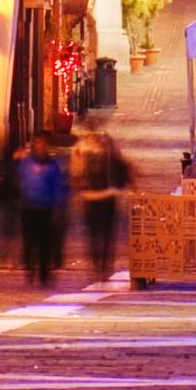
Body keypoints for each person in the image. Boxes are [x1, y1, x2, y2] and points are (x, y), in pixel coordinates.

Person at [73, 116, 132, 282]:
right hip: (102, 195)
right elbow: (120, 162)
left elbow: (76, 171)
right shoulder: (107, 143)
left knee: (97, 233)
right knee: (103, 233)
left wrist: (78, 190)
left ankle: (100, 264)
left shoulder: (83, 146)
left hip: (97, 195)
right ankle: (102, 265)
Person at [14, 129, 68, 289]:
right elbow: (17, 179)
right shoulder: (26, 163)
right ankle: (30, 268)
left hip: (46, 208)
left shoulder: (53, 166)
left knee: (45, 242)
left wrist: (58, 205)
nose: (40, 146)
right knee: (29, 241)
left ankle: (44, 273)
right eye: (37, 143)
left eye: (43, 143)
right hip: (29, 207)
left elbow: (58, 186)